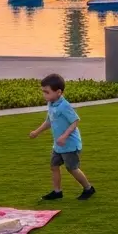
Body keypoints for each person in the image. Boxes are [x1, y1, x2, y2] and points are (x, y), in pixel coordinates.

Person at [30, 73, 96, 201]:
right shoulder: (51, 104)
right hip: (58, 145)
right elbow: (49, 121)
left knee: (72, 168)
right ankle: (57, 192)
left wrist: (64, 136)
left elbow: (75, 121)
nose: (44, 95)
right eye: (43, 91)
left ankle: (88, 188)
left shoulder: (64, 106)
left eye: (47, 92)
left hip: (70, 145)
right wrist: (37, 132)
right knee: (54, 166)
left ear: (58, 92)